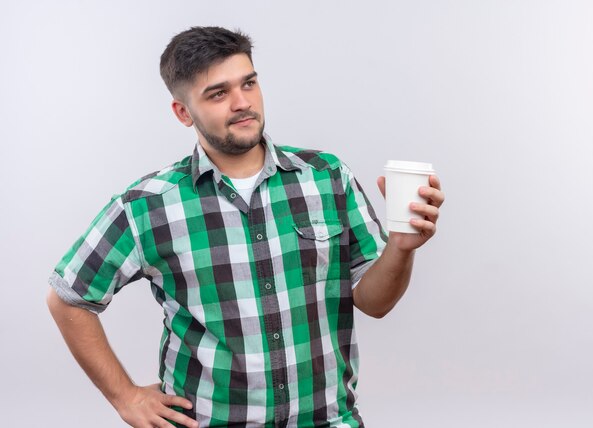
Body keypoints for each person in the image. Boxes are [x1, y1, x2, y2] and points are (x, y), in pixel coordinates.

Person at [47, 26, 445, 428]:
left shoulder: (327, 177)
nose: (242, 103)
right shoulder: (147, 206)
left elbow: (374, 303)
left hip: (328, 420)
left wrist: (400, 247)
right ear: (183, 112)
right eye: (218, 93)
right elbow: (67, 297)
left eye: (249, 83)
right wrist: (125, 397)